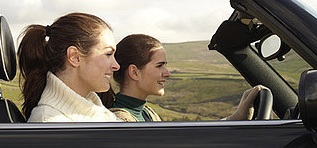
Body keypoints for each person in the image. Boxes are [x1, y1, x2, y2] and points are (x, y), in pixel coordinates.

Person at [111, 34, 265, 122]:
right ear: (134, 72)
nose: (167, 73)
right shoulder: (120, 121)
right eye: (159, 66)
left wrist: (234, 119)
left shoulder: (146, 112)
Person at [17, 12, 121, 122]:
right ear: (74, 57)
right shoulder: (49, 122)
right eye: (108, 54)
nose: (116, 66)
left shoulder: (94, 111)